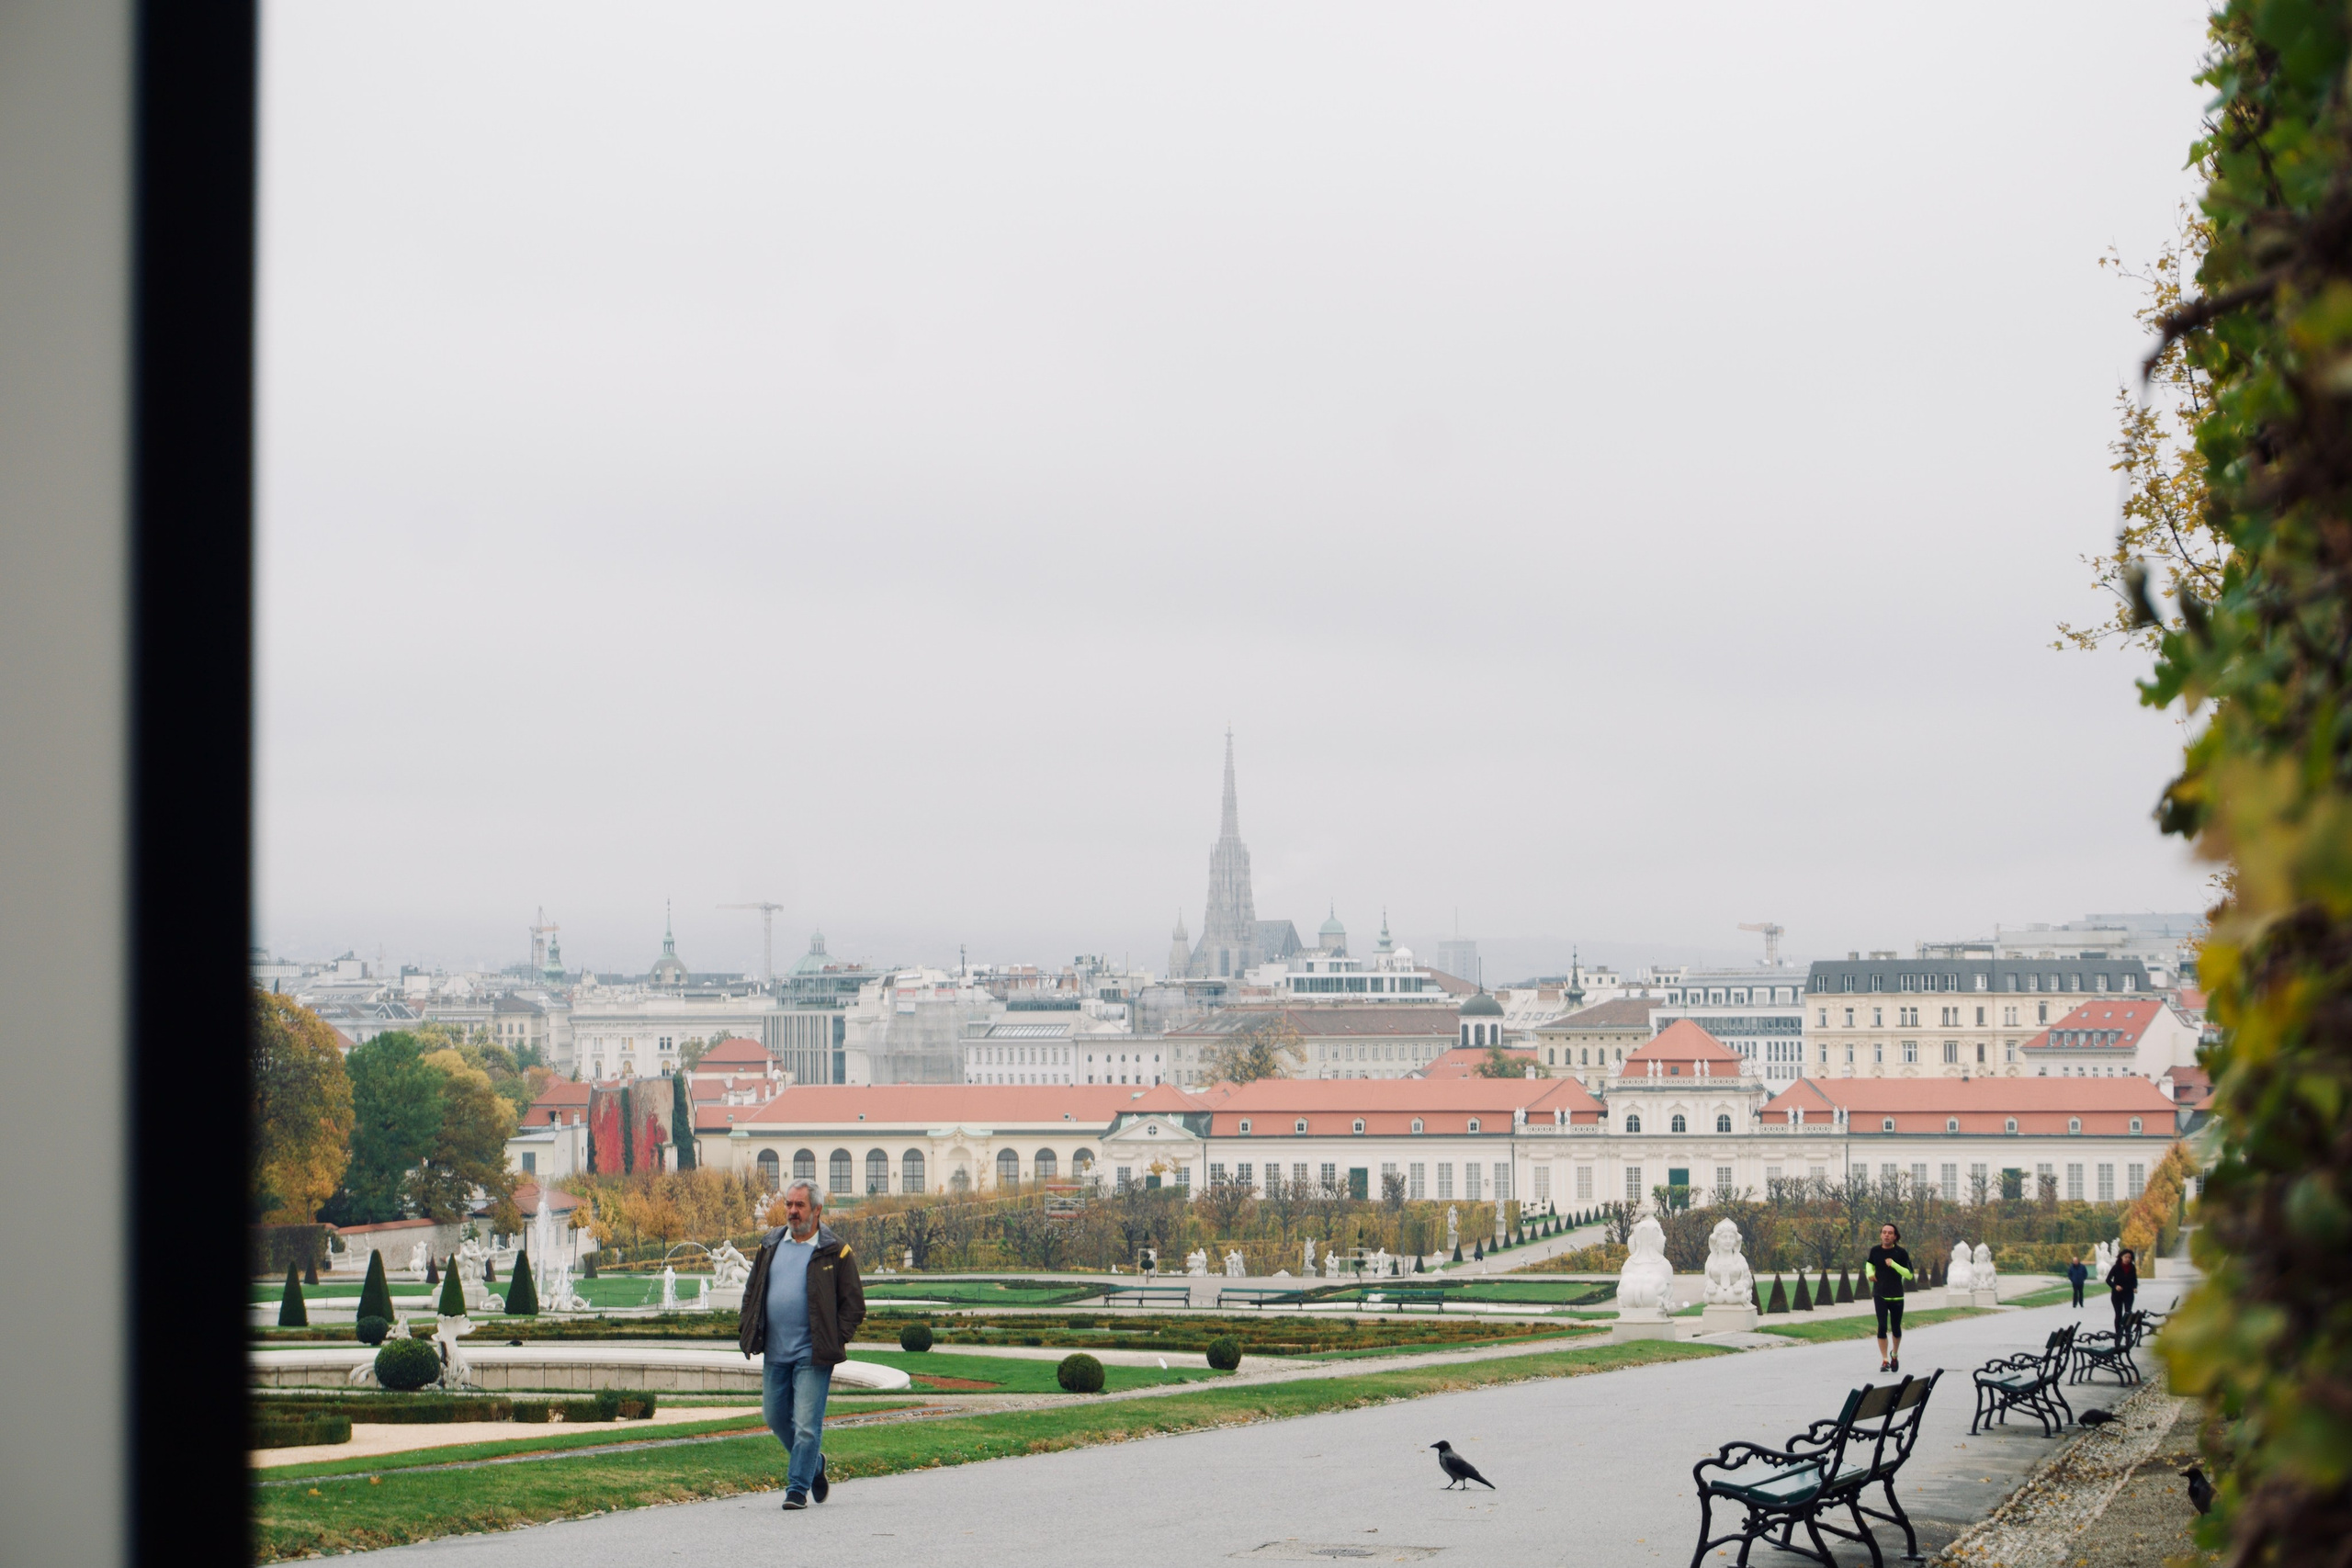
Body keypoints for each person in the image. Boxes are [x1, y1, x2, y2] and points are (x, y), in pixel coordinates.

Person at [737, 1177, 865, 1511]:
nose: (792, 1212)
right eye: (789, 1205)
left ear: (817, 1210)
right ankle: (814, 1464)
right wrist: (747, 1326)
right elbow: (752, 1291)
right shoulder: (770, 1244)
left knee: (807, 1424)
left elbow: (854, 1305)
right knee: (775, 1417)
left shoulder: (835, 1251)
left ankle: (797, 1488)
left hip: (813, 1354)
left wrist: (833, 1339)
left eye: (800, 1205)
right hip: (776, 1351)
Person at [1865, 1223, 1914, 1374]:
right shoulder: (1875, 1251)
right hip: (1879, 1294)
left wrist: (1894, 1265)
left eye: (1890, 1233)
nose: (1886, 1235)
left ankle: (1895, 1354)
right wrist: (1869, 1274)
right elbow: (1869, 1264)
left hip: (1896, 1295)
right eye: (1884, 1232)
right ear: (1881, 1235)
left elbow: (1909, 1275)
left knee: (1896, 1328)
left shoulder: (1901, 1253)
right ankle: (1885, 1360)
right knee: (1881, 1326)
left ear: (1895, 1236)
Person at [2106, 1247, 2138, 1333]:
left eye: (2129, 1258)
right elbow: (2108, 1280)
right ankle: (2118, 1333)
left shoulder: (2132, 1267)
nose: (2127, 1259)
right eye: (2126, 1257)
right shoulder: (2116, 1267)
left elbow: (2134, 1279)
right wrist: (2115, 1286)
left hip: (2128, 1293)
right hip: (2117, 1294)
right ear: (2121, 1257)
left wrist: (2135, 1287)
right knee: (2118, 1314)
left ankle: (2128, 1332)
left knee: (2128, 1313)